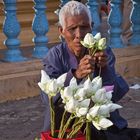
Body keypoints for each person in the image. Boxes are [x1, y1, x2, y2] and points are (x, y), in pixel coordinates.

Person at [41, 1, 139, 139]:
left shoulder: (103, 52)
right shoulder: (54, 56)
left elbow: (113, 95)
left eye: (84, 27)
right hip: (65, 128)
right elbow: (48, 98)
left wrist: (104, 69)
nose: (79, 34)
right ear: (61, 31)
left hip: (100, 129)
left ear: (91, 27)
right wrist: (76, 74)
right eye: (72, 29)